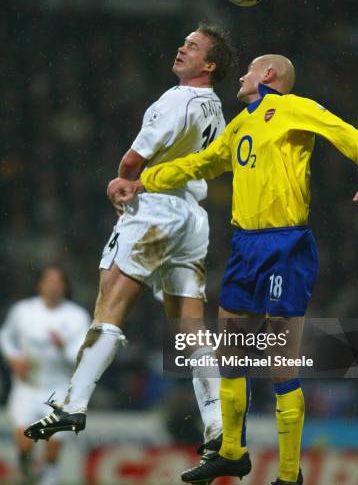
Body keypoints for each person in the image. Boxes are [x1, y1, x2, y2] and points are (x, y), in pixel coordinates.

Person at [106, 54, 358, 485]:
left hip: (285, 245)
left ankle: (287, 474)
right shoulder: (241, 124)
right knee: (233, 354)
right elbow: (204, 161)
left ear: (269, 76)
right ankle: (235, 451)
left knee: (280, 363)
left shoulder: (295, 107)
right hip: (244, 247)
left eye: (249, 70)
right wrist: (143, 180)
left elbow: (346, 133)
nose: (240, 76)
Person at [24, 24, 236, 458]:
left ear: (209, 65)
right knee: (190, 327)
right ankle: (218, 424)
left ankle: (74, 403)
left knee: (111, 301)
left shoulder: (176, 99)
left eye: (193, 47)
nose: (182, 48)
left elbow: (133, 159)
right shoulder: (216, 109)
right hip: (193, 218)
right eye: (184, 42)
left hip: (155, 208)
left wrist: (121, 182)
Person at [0, 266, 90, 485]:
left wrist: (64, 347)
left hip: (59, 391)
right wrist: (14, 358)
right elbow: (5, 336)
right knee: (26, 447)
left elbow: (81, 356)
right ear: (40, 286)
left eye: (58, 281)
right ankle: (25, 477)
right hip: (27, 388)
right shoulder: (23, 311)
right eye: (48, 281)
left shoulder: (76, 317)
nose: (53, 286)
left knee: (51, 453)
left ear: (64, 286)